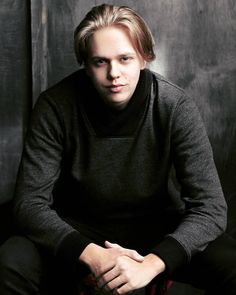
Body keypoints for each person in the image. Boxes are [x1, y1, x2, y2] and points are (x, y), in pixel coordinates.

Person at [0, 3, 235, 295]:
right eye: (100, 61)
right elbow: (29, 204)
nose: (114, 73)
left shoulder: (175, 106)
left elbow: (210, 207)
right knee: (10, 261)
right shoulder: (55, 106)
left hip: (155, 228)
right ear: (86, 64)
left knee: (231, 262)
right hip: (76, 228)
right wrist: (93, 256)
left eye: (125, 58)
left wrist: (152, 264)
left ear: (144, 58)